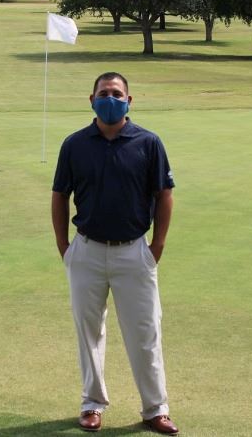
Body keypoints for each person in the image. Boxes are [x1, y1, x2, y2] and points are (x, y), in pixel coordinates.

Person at [51, 72, 179, 435]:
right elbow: (60, 195)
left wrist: (157, 246)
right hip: (87, 251)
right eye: (104, 93)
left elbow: (164, 194)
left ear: (130, 100)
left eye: (117, 93)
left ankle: (155, 409)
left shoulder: (148, 143)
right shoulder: (74, 144)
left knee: (145, 331)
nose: (111, 98)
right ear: (91, 99)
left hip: (134, 253)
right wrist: (65, 247)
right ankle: (92, 403)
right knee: (88, 331)